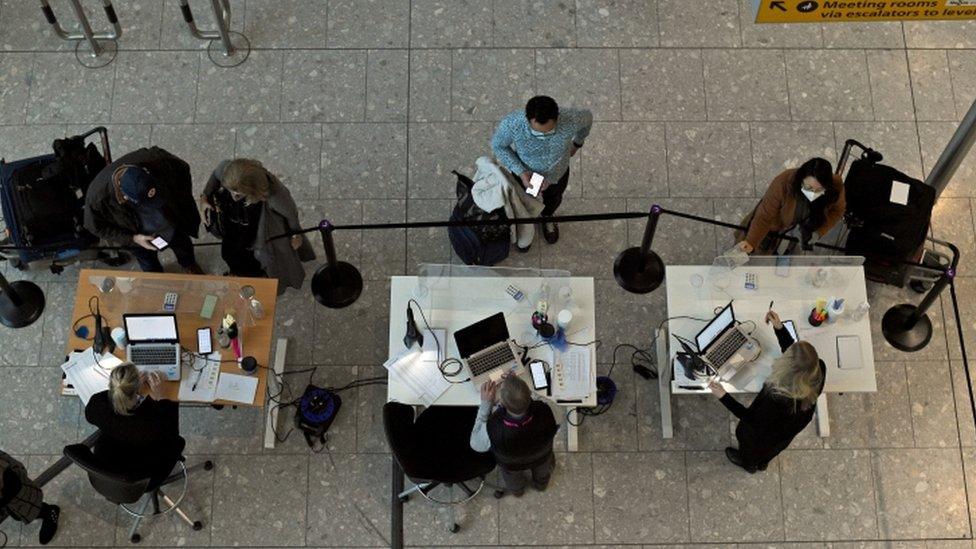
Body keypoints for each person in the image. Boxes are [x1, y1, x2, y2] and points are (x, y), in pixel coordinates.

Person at [708, 310, 826, 473]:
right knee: (769, 452)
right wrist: (779, 328)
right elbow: (796, 358)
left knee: (752, 451)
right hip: (781, 437)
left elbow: (751, 418)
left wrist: (723, 396)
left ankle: (749, 465)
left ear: (788, 369)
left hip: (759, 438)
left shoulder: (778, 399)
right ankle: (762, 463)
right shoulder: (818, 369)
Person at [198, 158, 315, 292]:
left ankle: (255, 278)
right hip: (233, 225)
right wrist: (205, 197)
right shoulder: (227, 170)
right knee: (229, 253)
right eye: (230, 191)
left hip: (257, 233)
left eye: (239, 193)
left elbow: (290, 214)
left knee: (258, 261)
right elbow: (216, 175)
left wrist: (295, 234)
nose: (234, 196)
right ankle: (238, 272)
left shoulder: (275, 194)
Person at [491, 96, 593, 247]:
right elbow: (498, 146)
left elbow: (588, 120)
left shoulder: (572, 119)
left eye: (550, 131)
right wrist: (521, 171)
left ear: (558, 117)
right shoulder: (513, 124)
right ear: (528, 119)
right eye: (538, 133)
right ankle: (526, 225)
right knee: (523, 201)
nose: (544, 137)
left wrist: (577, 143)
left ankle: (547, 217)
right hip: (525, 174)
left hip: (557, 173)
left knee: (554, 199)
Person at [84, 147, 203, 274]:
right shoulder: (98, 199)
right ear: (125, 197)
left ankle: (189, 265)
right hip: (137, 236)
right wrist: (132, 239)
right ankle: (155, 278)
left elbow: (182, 170)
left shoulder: (158, 161)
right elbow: (95, 227)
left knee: (182, 245)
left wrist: (181, 206)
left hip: (170, 224)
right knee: (148, 262)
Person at [84, 364, 183, 487]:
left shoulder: (97, 404)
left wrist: (127, 388)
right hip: (142, 478)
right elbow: (173, 437)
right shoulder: (150, 426)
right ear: (136, 392)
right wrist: (162, 397)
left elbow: (90, 415)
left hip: (105, 470)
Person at [470, 375, 559, 496]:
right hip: (541, 457)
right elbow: (557, 418)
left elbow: (476, 445)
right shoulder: (545, 410)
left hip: (511, 465)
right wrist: (520, 391)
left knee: (513, 481)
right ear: (529, 394)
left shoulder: (493, 426)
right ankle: (541, 486)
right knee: (543, 474)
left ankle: (518, 492)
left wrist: (486, 404)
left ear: (501, 403)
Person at [735, 157, 845, 255]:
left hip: (795, 233)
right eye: (808, 188)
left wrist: (818, 232)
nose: (812, 195)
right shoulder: (783, 183)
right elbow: (764, 217)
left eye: (818, 190)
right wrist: (751, 242)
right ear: (801, 179)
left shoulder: (835, 188)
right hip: (773, 227)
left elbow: (837, 211)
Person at [0, 451, 59, 545]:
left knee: (21, 509)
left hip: (9, 483)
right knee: (16, 511)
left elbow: (14, 484)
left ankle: (48, 511)